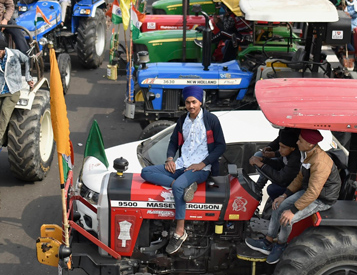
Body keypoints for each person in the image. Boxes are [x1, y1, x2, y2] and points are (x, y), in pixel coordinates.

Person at [140, 86, 226, 255]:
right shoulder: (182, 120)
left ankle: (180, 231)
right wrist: (170, 159)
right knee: (146, 172)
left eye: (194, 102)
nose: (191, 106)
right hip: (180, 164)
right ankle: (181, 186)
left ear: (200, 101)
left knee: (178, 186)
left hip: (200, 169)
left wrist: (203, 163)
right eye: (187, 102)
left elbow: (221, 146)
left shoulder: (211, 120)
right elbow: (173, 143)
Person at [245, 129, 340, 264]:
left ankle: (281, 245)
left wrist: (293, 211)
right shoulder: (306, 153)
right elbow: (299, 178)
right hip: (308, 191)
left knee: (287, 218)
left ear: (310, 144)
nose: (297, 142)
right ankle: (267, 242)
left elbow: (314, 193)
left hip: (321, 198)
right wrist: (284, 195)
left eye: (300, 140)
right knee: (278, 206)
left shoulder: (320, 163)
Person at [0, 38, 33, 147]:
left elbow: (27, 59)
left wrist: (28, 77)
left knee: (4, 112)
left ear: (4, 50)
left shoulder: (15, 54)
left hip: (13, 89)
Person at [248, 128, 301, 204]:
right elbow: (279, 163)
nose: (279, 150)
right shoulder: (287, 153)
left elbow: (282, 179)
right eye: (279, 147)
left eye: (283, 147)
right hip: (286, 178)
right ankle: (258, 187)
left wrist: (261, 164)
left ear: (293, 148)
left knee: (272, 189)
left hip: (293, 186)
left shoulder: (295, 158)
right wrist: (263, 160)